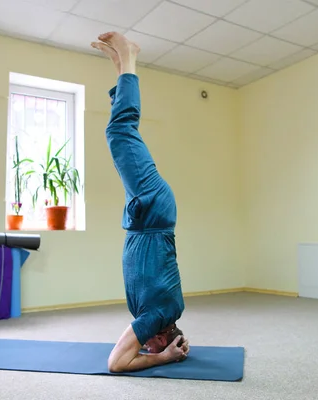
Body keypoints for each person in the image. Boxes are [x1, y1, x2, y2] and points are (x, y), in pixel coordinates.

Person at [90, 32, 190, 373]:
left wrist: (168, 347)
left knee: (121, 135)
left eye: (147, 348)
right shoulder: (158, 316)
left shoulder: (163, 314)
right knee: (120, 132)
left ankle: (120, 65)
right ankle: (129, 57)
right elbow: (116, 364)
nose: (145, 347)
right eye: (152, 346)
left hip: (144, 216)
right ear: (164, 337)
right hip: (153, 211)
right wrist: (162, 358)